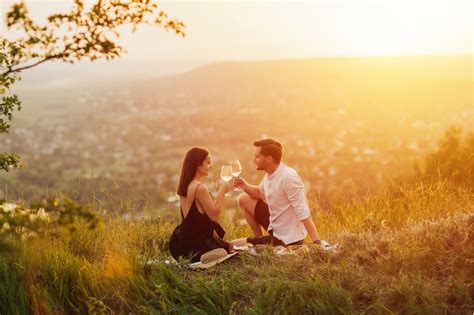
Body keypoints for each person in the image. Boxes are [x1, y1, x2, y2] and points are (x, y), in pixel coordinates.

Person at [234, 138, 334, 250]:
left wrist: (317, 242)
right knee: (243, 198)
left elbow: (303, 212)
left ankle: (260, 244)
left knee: (232, 245)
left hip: (287, 238)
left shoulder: (288, 177)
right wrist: (244, 185)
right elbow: (260, 193)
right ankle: (260, 239)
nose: (253, 160)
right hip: (276, 224)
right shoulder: (271, 173)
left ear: (269, 159)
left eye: (257, 156)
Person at [169, 147, 235, 262]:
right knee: (234, 247)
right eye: (208, 163)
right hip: (198, 245)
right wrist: (222, 192)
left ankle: (200, 258)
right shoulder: (200, 188)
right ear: (198, 165)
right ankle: (203, 258)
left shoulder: (185, 186)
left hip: (180, 243)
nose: (211, 166)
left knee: (229, 245)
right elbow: (214, 216)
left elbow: (197, 222)